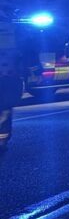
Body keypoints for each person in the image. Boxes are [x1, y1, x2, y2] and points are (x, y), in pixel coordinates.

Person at [0, 8, 23, 151]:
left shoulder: (12, 30)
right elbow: (25, 50)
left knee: (4, 108)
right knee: (4, 108)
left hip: (7, 76)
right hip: (8, 76)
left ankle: (2, 139)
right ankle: (2, 139)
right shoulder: (12, 29)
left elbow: (24, 50)